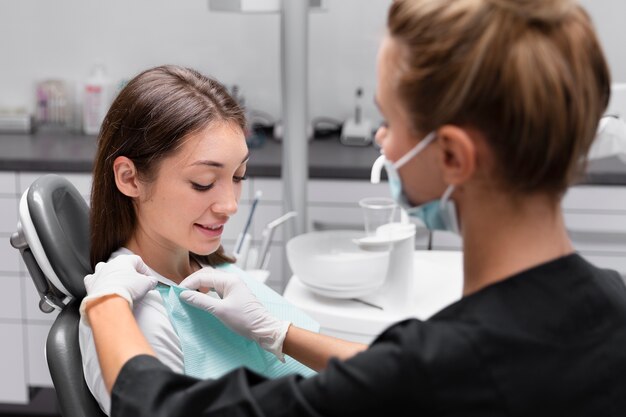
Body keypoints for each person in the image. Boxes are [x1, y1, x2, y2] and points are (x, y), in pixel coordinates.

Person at [81, 0, 626, 415]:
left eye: (390, 120)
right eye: (204, 181)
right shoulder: (610, 304)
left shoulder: (445, 366)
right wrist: (278, 332)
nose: (381, 140)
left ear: (455, 155)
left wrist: (105, 305)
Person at [78, 64, 318, 415]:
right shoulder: (143, 320)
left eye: (238, 175)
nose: (231, 206)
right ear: (129, 178)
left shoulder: (208, 264)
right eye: (204, 182)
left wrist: (277, 332)